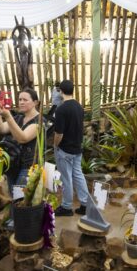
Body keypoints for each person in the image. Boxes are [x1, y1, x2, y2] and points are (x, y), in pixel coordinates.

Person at [53, 80, 90, 216]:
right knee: (78, 175)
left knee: (66, 178)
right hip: (77, 148)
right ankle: (85, 205)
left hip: (65, 150)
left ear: (61, 91)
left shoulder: (61, 109)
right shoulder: (79, 107)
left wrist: (56, 145)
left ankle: (67, 207)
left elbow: (59, 133)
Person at [0, 88, 40, 189]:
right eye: (20, 100)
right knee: (12, 194)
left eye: (25, 100)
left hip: (28, 167)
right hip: (12, 163)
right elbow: (0, 129)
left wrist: (8, 117)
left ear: (35, 102)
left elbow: (23, 138)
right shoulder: (19, 118)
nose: (21, 102)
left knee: (20, 198)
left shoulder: (39, 121)